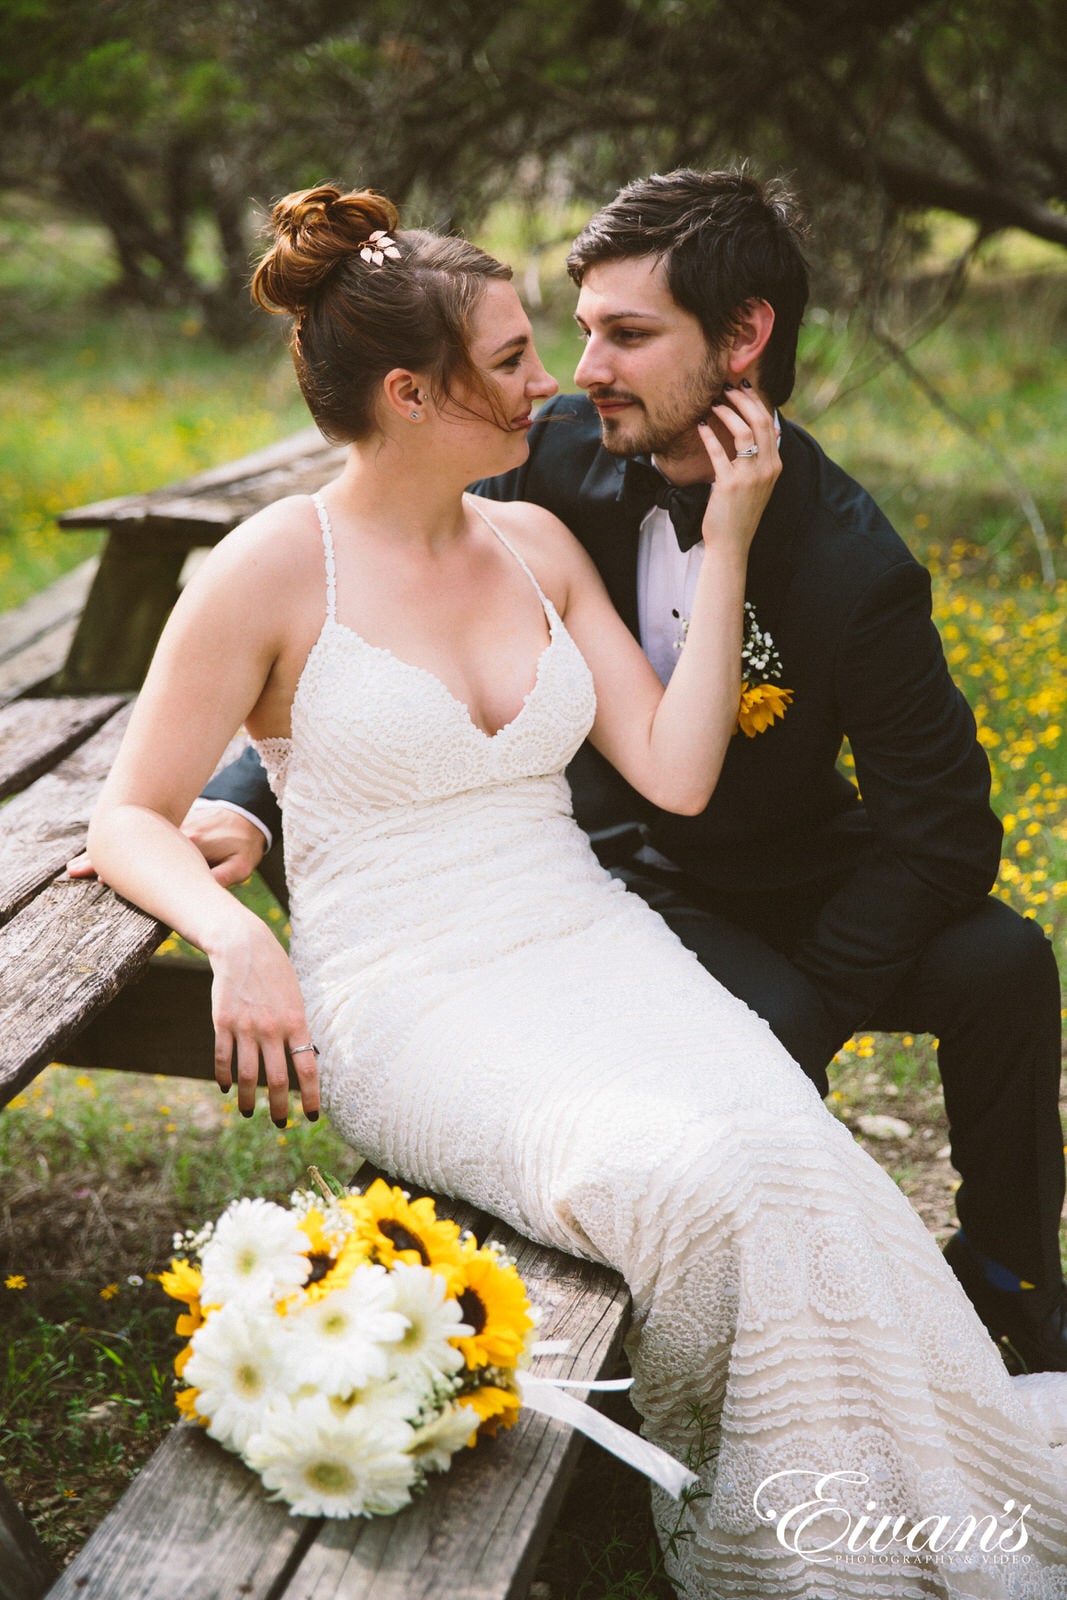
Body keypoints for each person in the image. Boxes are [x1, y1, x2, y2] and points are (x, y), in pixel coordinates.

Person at [84, 180, 1067, 1596]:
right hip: (411, 995)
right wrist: (238, 924)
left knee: (793, 1148)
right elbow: (132, 815)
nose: (561, 381)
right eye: (521, 356)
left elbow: (677, 773)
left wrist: (728, 541)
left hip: (594, 934)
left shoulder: (547, 543)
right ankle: (771, 1508)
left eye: (592, 342)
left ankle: (926, 1462)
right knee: (701, 1178)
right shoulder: (266, 569)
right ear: (416, 394)